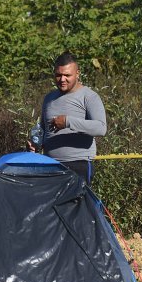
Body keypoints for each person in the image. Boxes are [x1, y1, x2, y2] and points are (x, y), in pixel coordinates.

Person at [31, 51, 106, 183]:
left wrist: (67, 122)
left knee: (75, 204)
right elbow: (43, 130)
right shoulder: (49, 98)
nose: (62, 79)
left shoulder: (89, 96)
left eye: (67, 75)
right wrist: (35, 144)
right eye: (58, 75)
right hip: (50, 164)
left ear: (77, 73)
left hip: (78, 165)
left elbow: (100, 128)